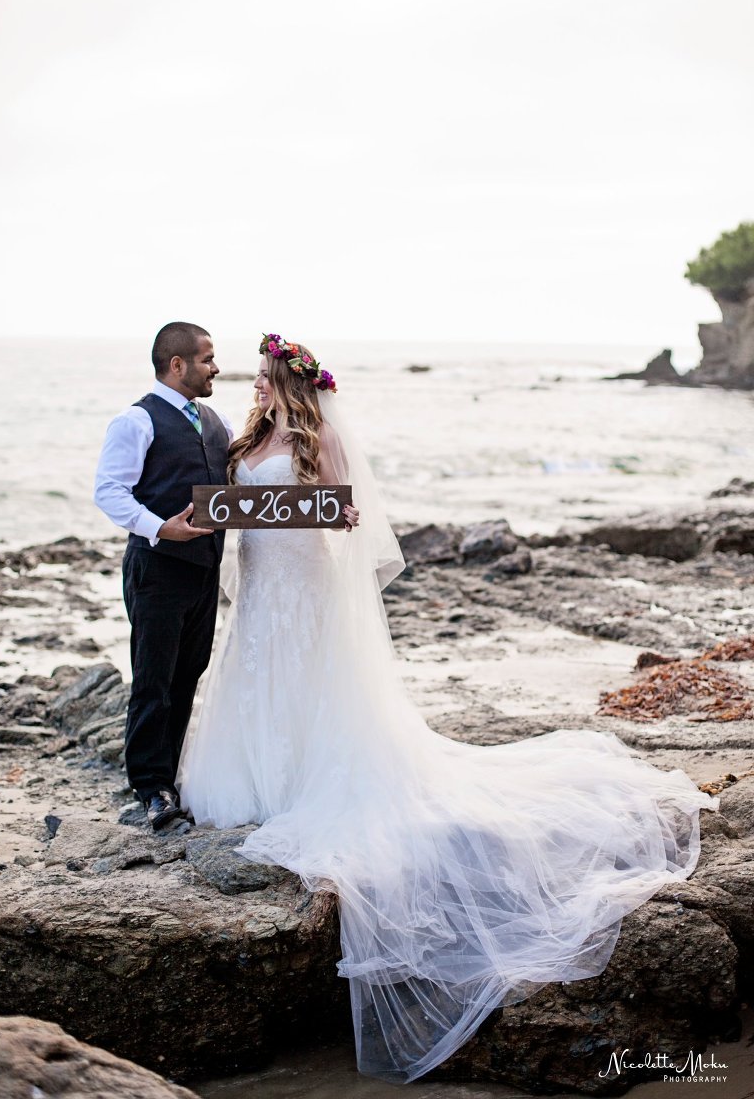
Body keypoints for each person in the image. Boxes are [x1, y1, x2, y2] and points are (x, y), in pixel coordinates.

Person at [177, 334, 717, 1083]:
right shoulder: (247, 434)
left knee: (305, 681)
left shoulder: (318, 434)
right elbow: (231, 507)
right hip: (263, 586)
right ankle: (260, 776)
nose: (258, 386)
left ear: (289, 382)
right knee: (256, 673)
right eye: (258, 379)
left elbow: (345, 518)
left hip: (303, 584)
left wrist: (303, 510)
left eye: (267, 377)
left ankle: (302, 777)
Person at [94, 322, 233, 830]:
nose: (215, 367)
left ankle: (169, 776)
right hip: (156, 569)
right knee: (153, 680)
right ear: (178, 365)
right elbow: (109, 491)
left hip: (204, 572)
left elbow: (241, 490)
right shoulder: (136, 420)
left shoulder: (216, 422)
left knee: (187, 674)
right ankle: (151, 788)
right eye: (207, 358)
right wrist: (160, 529)